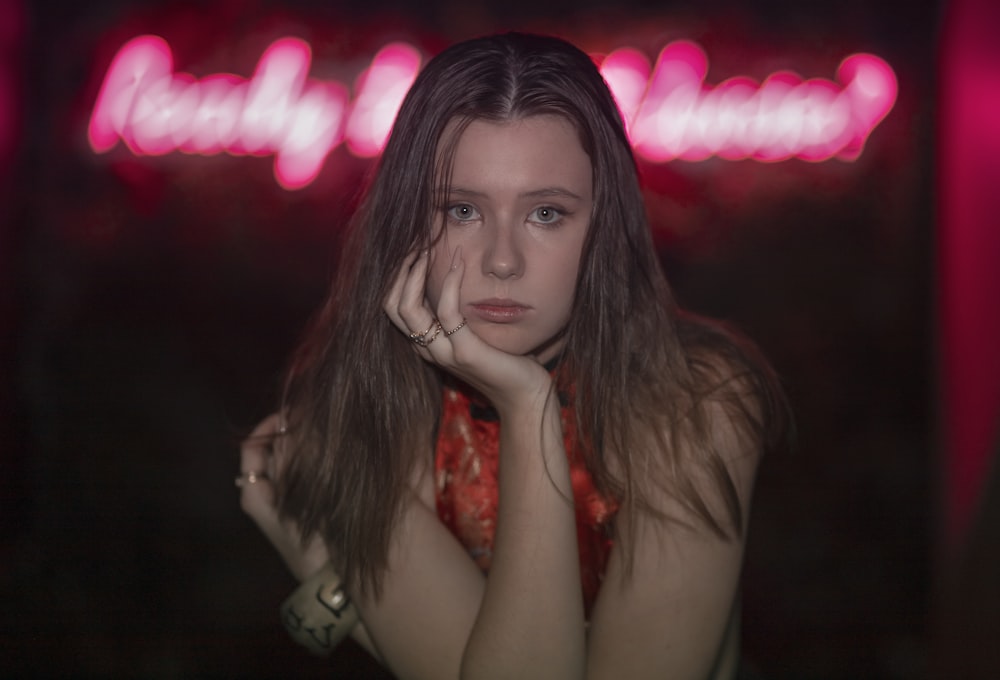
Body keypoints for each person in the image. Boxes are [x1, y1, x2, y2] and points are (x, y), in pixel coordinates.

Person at [238, 32, 789, 680]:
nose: (503, 260)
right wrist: (528, 406)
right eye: (463, 210)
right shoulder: (371, 413)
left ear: (604, 229)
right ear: (410, 224)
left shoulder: (694, 398)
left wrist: (330, 587)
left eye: (547, 213)